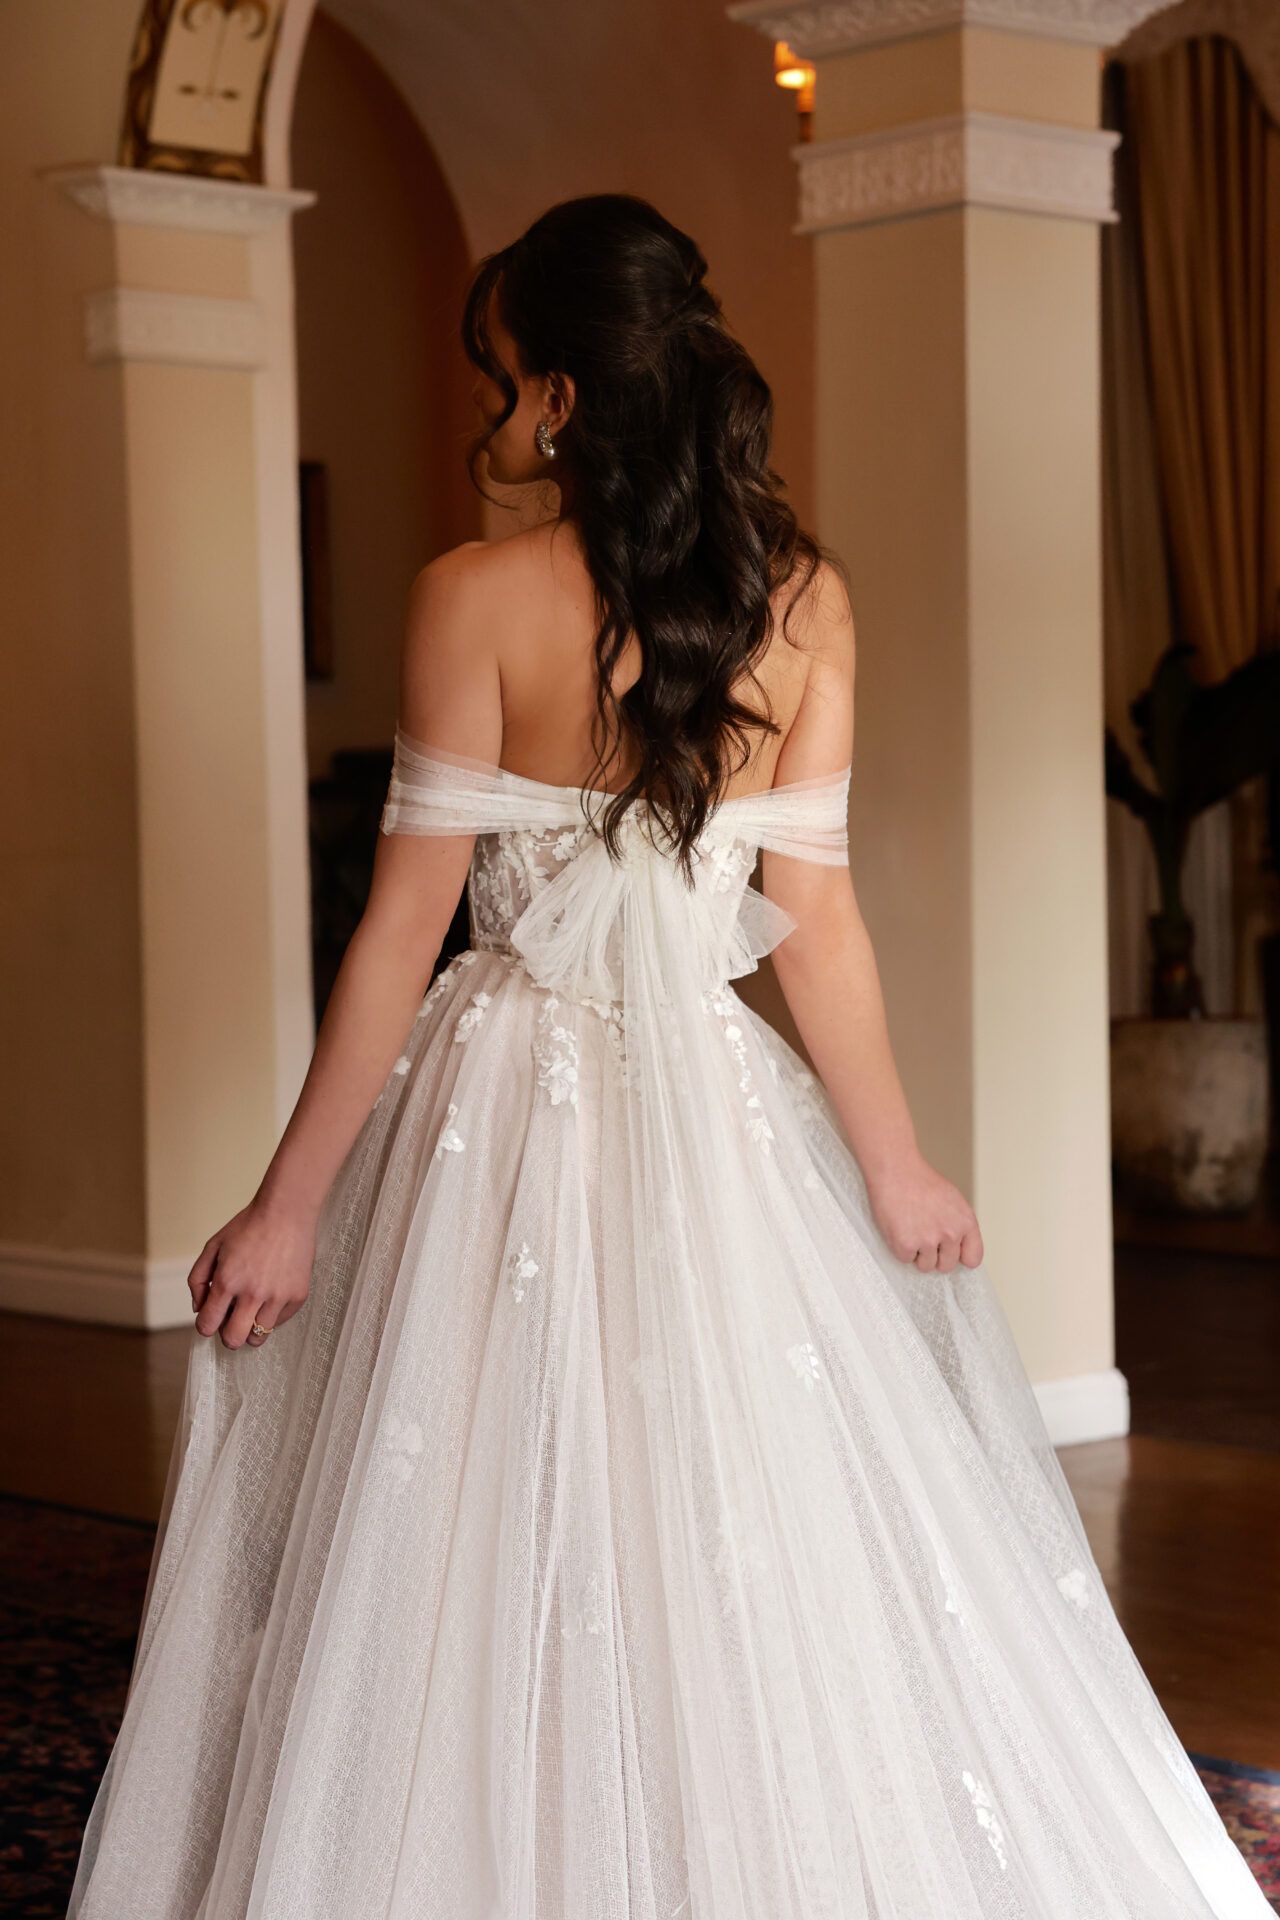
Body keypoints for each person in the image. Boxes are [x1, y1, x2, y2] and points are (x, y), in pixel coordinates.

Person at [67, 194, 1269, 1920]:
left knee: (478, 1515)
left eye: (499, 378)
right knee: (716, 1502)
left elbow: (405, 931)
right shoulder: (807, 601)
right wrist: (896, 1160)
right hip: (719, 1096)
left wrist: (290, 1209)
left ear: (559, 396)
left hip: (499, 1101)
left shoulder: (469, 595)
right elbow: (818, 924)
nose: (487, 414)